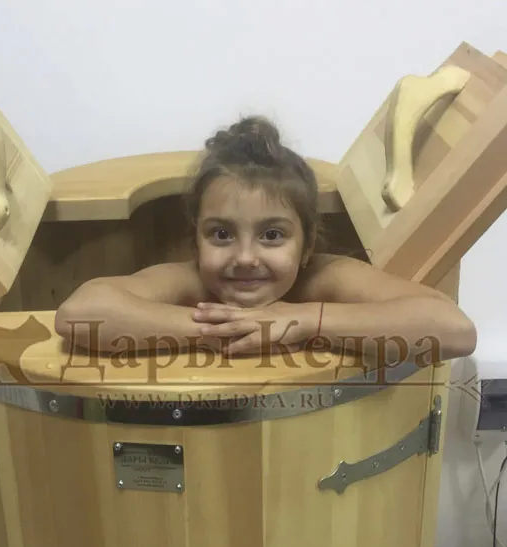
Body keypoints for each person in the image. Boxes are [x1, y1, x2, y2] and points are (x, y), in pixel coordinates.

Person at [54, 116, 477, 365]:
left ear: (307, 245)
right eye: (221, 234)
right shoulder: (191, 283)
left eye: (272, 235)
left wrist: (303, 320)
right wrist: (224, 330)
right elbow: (78, 314)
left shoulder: (324, 278)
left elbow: (455, 330)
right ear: (195, 241)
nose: (244, 257)